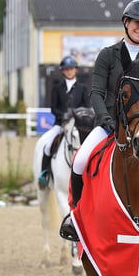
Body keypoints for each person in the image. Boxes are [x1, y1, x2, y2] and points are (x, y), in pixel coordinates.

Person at [59, 0, 139, 241]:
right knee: (80, 160)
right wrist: (105, 118)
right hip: (110, 123)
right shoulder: (108, 55)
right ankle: (75, 217)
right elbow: (96, 92)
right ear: (126, 22)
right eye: (137, 23)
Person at [37, 55, 90, 189]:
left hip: (77, 125)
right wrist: (64, 117)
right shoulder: (57, 88)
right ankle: (44, 173)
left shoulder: (82, 88)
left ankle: (91, 173)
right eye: (66, 69)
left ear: (75, 70)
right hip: (60, 124)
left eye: (71, 69)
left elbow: (86, 107)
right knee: (48, 145)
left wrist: (75, 117)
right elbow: (53, 108)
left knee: (88, 146)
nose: (69, 71)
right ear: (62, 71)